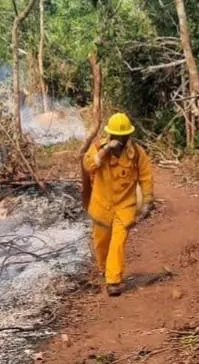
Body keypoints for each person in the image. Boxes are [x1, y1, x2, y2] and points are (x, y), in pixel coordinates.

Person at [82, 112, 154, 296]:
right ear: (110, 135)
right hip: (101, 205)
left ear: (128, 136)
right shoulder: (98, 148)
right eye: (117, 136)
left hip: (125, 205)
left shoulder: (136, 153)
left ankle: (113, 280)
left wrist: (147, 201)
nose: (120, 140)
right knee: (101, 243)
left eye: (123, 137)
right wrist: (104, 152)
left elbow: (146, 176)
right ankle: (105, 269)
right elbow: (88, 165)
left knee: (118, 242)